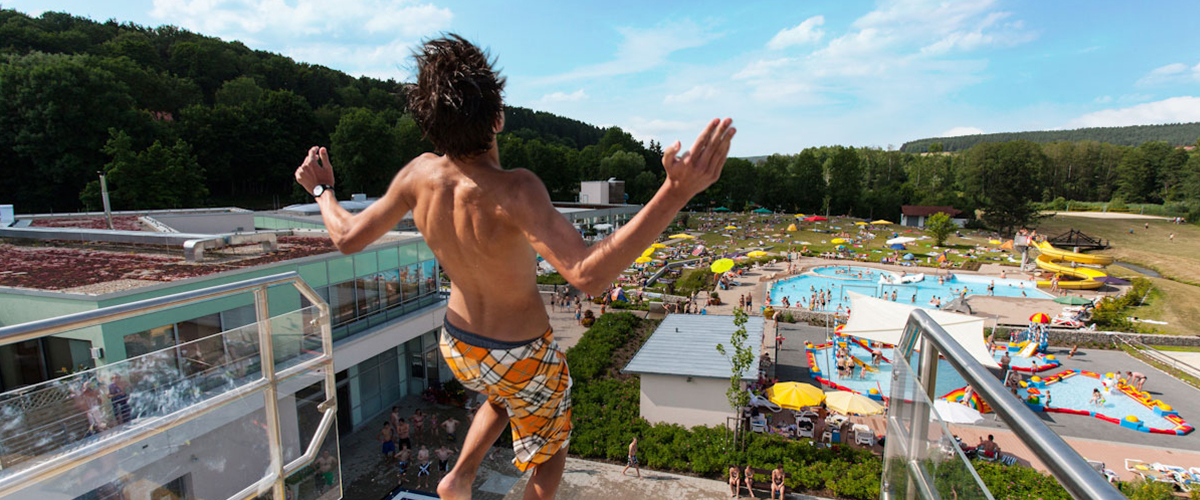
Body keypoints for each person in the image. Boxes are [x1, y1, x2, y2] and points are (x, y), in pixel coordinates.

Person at [293, 35, 735, 500]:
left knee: (504, 394)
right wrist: (675, 192)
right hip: (520, 352)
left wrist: (323, 192)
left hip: (459, 346)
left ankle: (458, 478)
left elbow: (345, 237)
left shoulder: (417, 175)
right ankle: (460, 478)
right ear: (498, 117)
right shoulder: (515, 190)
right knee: (550, 449)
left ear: (430, 129)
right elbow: (587, 275)